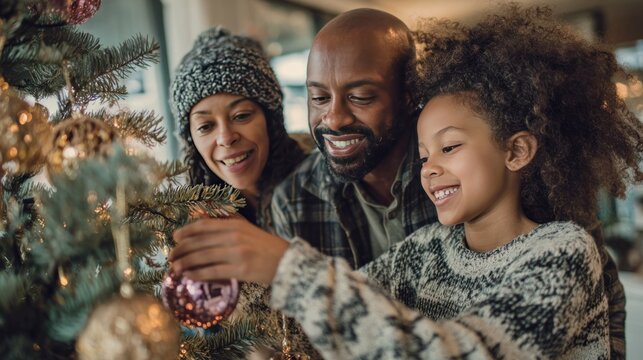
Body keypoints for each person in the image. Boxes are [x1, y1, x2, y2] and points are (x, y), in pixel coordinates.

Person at [169, 5, 643, 358]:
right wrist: (216, 303)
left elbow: (460, 351)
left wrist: (288, 268)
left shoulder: (563, 249)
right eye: (424, 154)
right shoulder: (427, 252)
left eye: (449, 148)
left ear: (517, 151)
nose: (430, 167)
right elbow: (318, 323)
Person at [168, 26, 308, 354]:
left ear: (271, 119)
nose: (226, 137)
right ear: (191, 141)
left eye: (241, 115)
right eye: (205, 125)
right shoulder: (192, 224)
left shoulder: (323, 189)